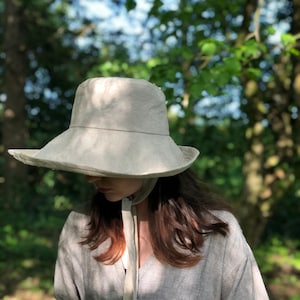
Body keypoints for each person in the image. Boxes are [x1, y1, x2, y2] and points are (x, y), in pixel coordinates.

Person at [8, 77, 269, 300]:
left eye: (105, 161)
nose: (90, 175)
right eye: (86, 160)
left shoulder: (215, 234)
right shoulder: (81, 227)